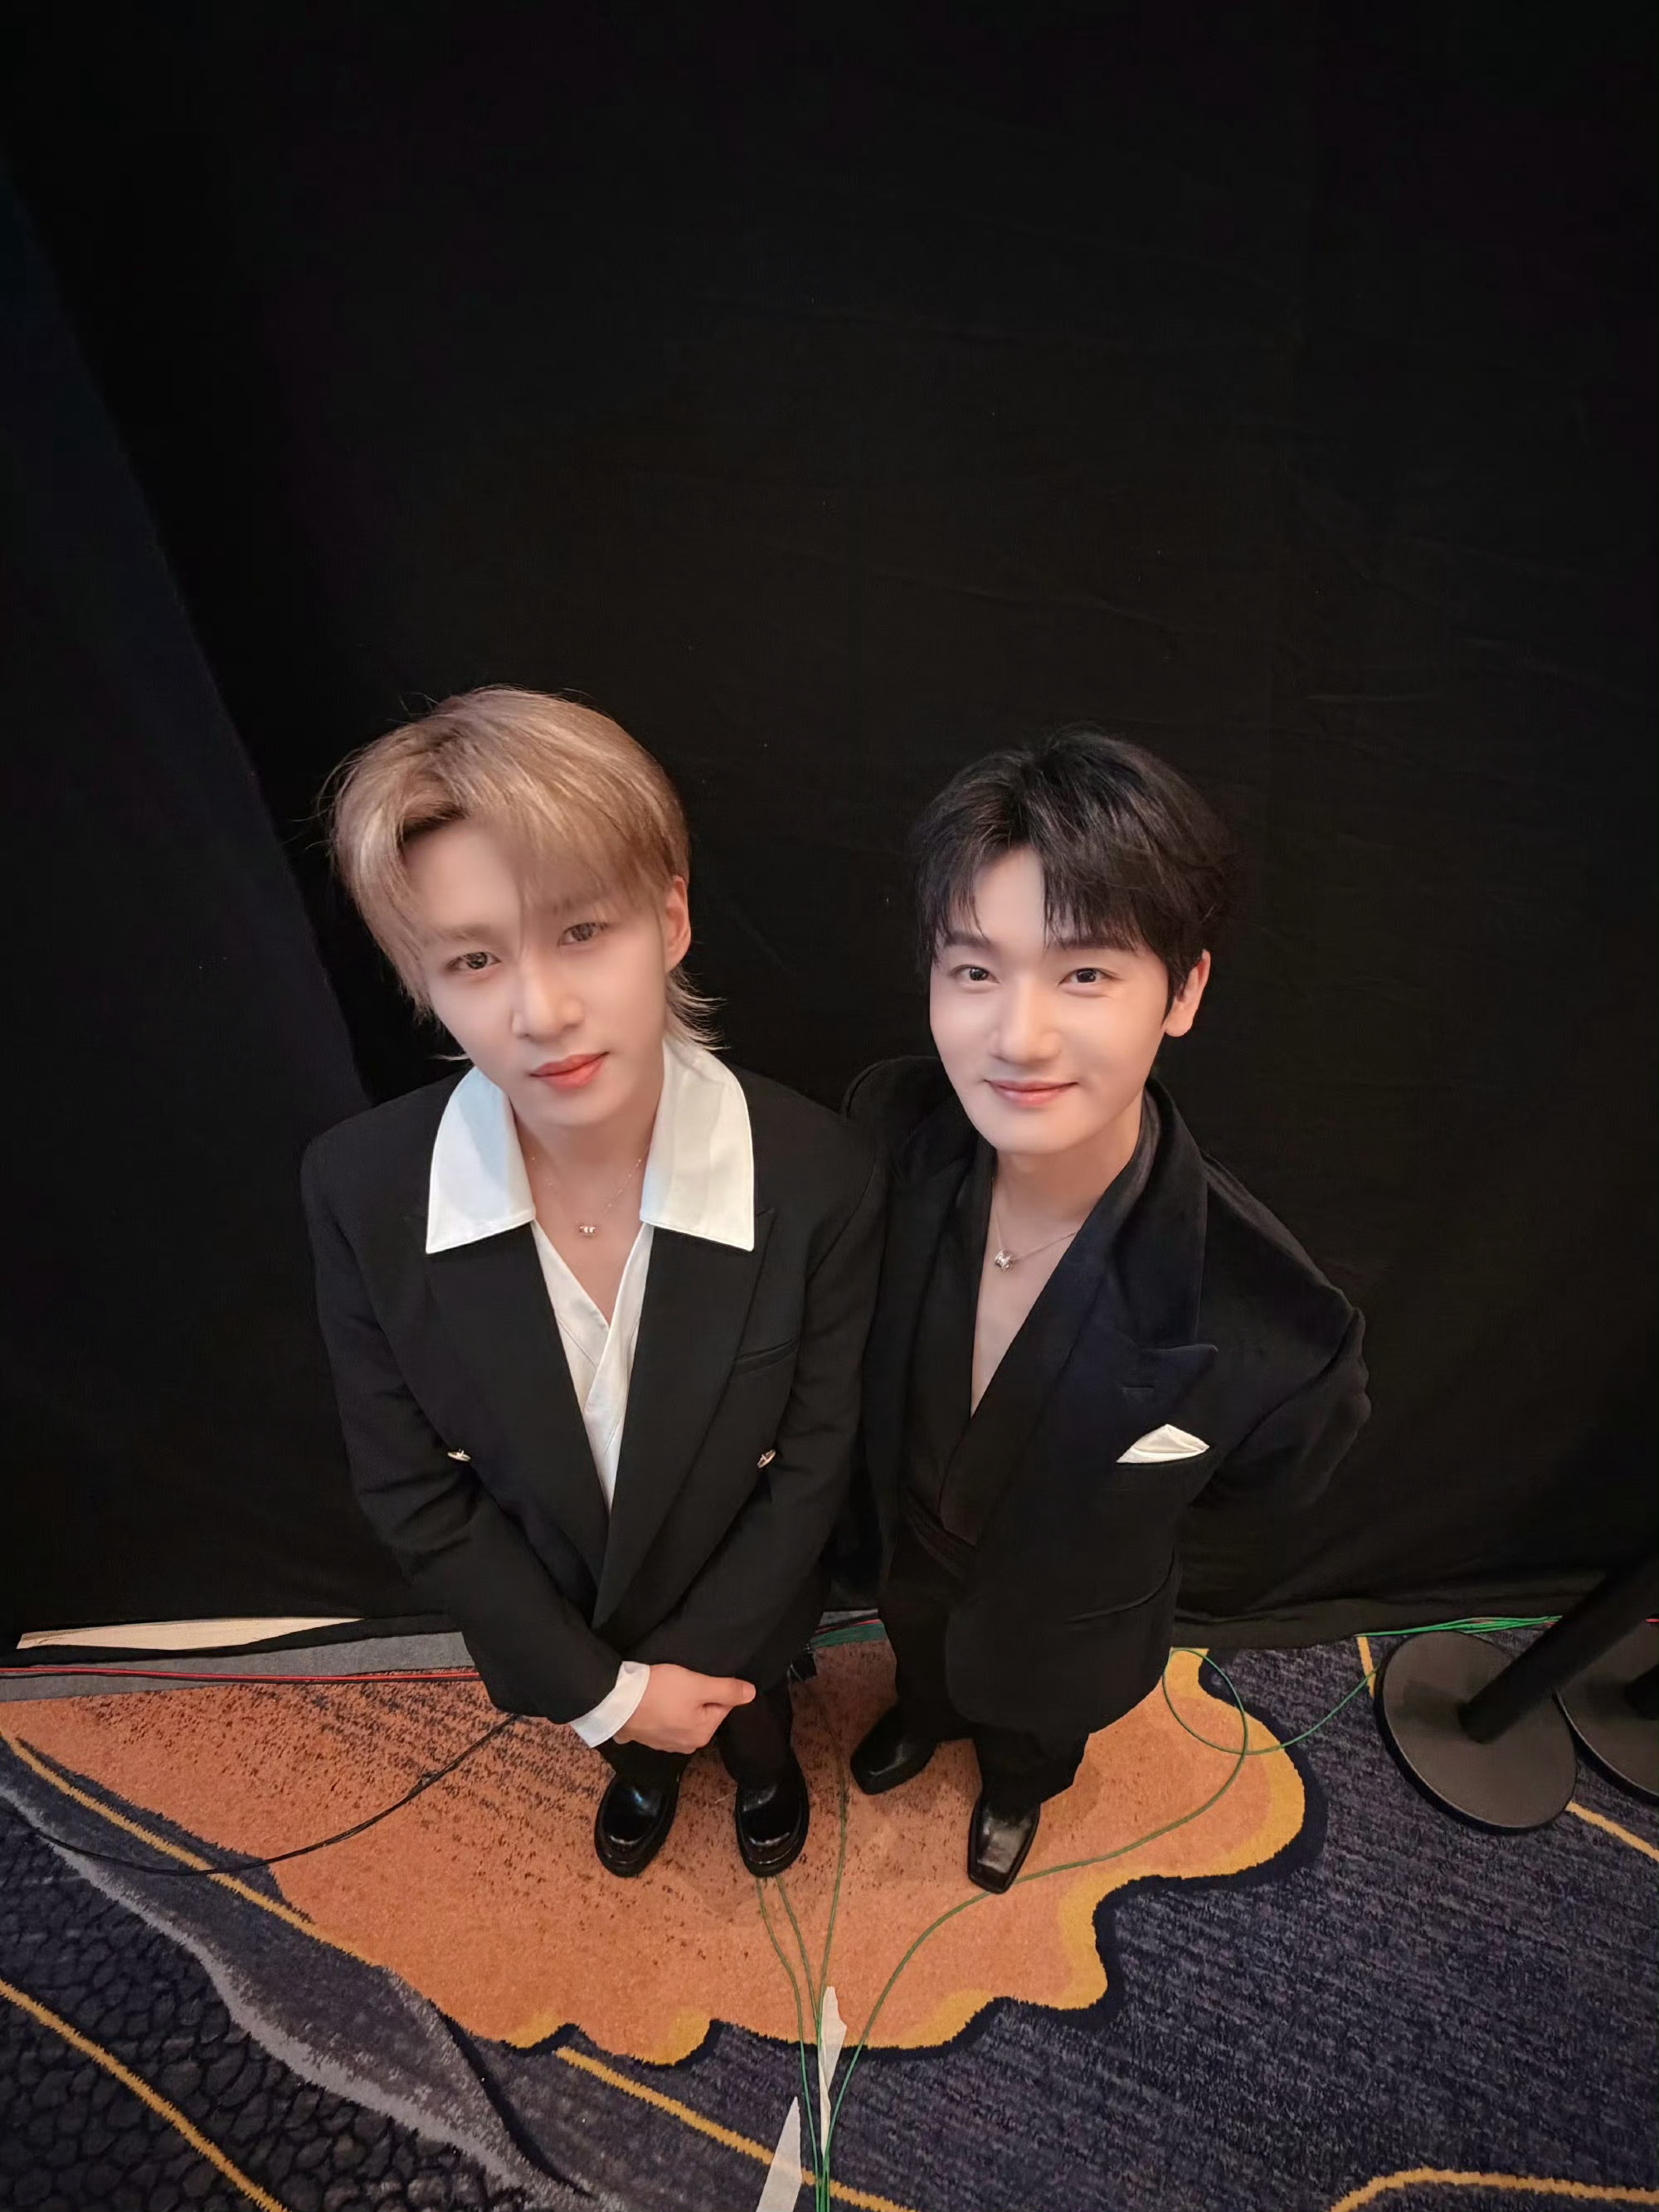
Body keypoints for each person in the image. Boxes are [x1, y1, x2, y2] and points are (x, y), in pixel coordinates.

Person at [301, 688, 882, 1879]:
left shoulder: (822, 1174)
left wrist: (697, 1675)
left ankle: (765, 1774)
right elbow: (413, 1491)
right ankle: (643, 1773)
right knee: (634, 1746)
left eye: (580, 932)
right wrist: (611, 1700)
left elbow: (817, 1461)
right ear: (421, 978)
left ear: (670, 917)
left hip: (745, 1617)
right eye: (475, 958)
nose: (542, 1012)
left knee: (754, 1728)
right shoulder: (359, 1189)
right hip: (564, 1631)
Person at [846, 730, 1369, 1893]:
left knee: (1034, 1739)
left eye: (1085, 974)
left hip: (1072, 1623)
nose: (1019, 1038)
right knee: (921, 1664)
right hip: (908, 1564)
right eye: (975, 972)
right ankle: (923, 1714)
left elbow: (1259, 1497)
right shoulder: (892, 1129)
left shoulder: (1276, 1320)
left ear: (1184, 990)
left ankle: (1018, 1789)